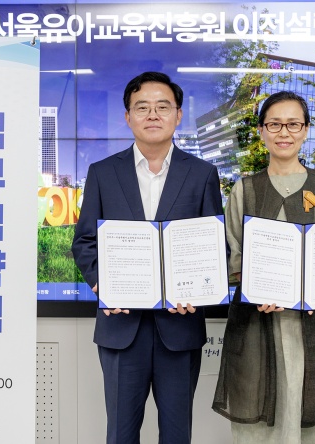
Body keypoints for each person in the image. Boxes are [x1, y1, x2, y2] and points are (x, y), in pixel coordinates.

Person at [71, 71, 223, 444]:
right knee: (121, 434)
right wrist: (102, 283)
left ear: (178, 115)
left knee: (177, 434)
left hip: (180, 328)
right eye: (142, 107)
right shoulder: (103, 173)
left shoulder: (202, 174)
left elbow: (214, 245)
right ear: (128, 116)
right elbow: (85, 241)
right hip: (121, 329)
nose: (153, 115)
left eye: (162, 106)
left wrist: (199, 289)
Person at [212, 91, 315, 444]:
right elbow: (233, 253)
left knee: (312, 428)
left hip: (314, 330)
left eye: (293, 124)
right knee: (257, 429)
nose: (284, 132)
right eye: (274, 124)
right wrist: (252, 285)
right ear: (261, 131)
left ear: (306, 130)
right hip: (257, 328)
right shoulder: (245, 190)